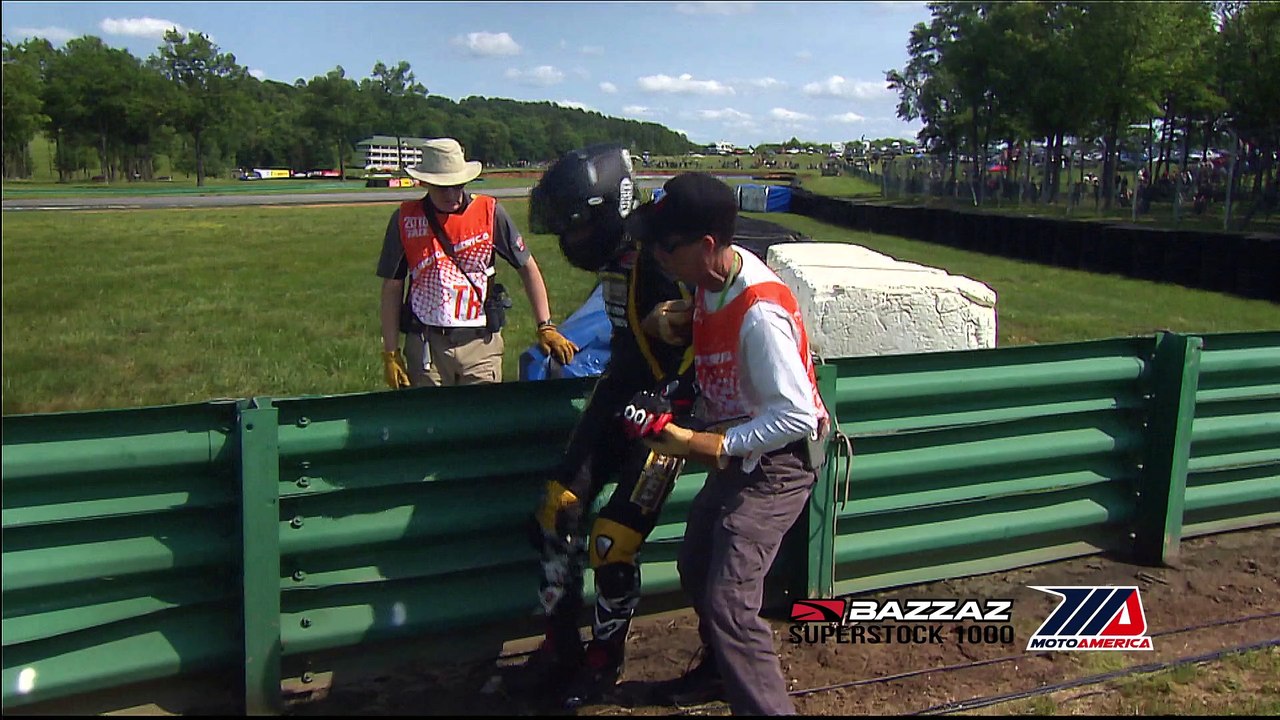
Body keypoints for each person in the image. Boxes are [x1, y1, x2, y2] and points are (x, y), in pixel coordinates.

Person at [629, 172, 830, 715]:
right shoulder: (709, 281)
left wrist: (704, 444)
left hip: (779, 463)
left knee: (730, 600)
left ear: (709, 246)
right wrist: (681, 325)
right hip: (742, 449)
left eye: (667, 246)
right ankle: (721, 672)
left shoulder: (760, 314)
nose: (658, 256)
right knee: (696, 563)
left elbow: (795, 414)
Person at [516, 144, 698, 708]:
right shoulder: (620, 254)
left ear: (602, 213)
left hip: (670, 411)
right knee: (555, 506)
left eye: (572, 227)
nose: (567, 242)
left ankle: (604, 659)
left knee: (611, 541)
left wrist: (670, 400)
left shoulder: (666, 256)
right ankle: (559, 642)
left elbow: (707, 345)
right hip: (621, 391)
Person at [376, 137, 577, 388]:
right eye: (442, 187)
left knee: (483, 420)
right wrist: (391, 352)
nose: (452, 194)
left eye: (458, 185)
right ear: (425, 182)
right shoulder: (405, 219)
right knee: (433, 425)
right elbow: (392, 287)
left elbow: (527, 267)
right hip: (427, 346)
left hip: (480, 346)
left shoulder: (489, 212)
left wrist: (545, 326)